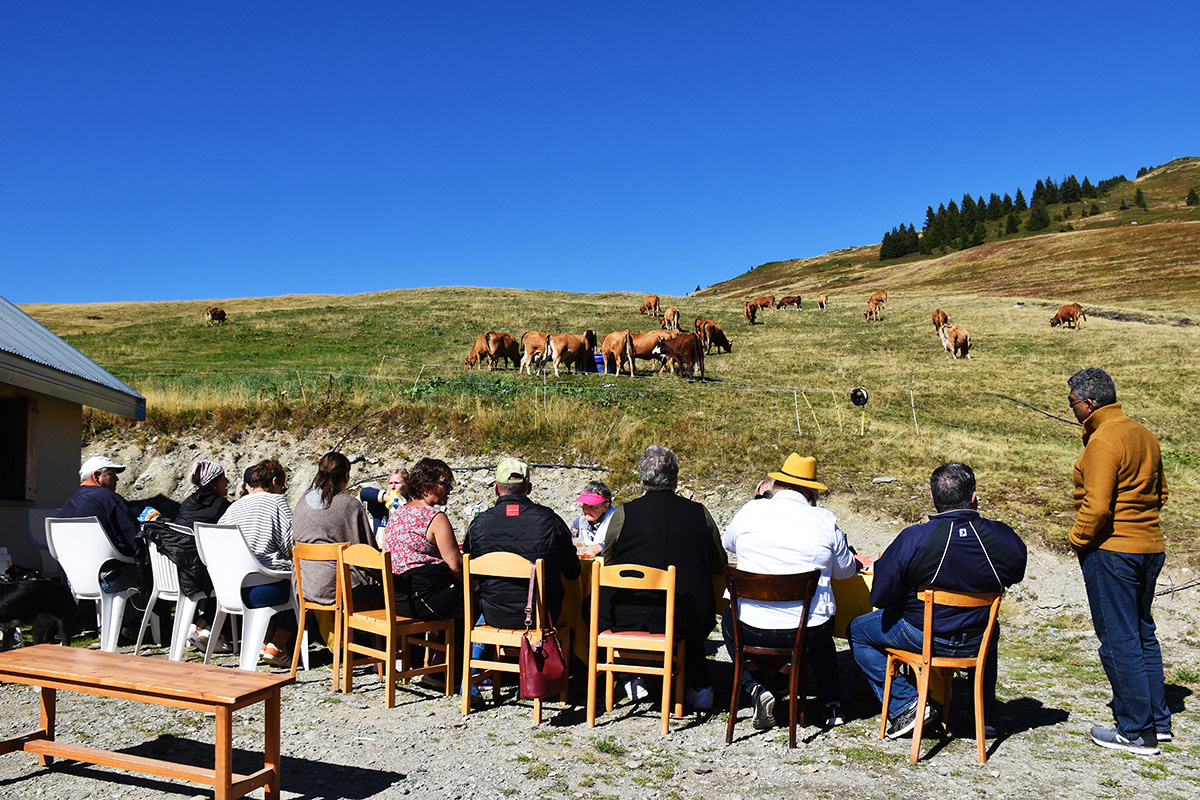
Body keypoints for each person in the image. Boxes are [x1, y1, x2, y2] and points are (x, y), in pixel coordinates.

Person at [848, 463, 1026, 740]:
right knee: (992, 630)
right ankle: (984, 715)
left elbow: (881, 595)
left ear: (932, 498)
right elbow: (1016, 573)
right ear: (975, 497)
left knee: (858, 630)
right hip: (978, 637)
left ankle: (907, 704)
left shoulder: (914, 538)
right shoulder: (1004, 538)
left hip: (924, 635)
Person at [1068, 367, 1171, 755]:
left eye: (1073, 403)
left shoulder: (1103, 442)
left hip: (1112, 550)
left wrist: (1078, 541)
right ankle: (1159, 723)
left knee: (1117, 639)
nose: (1073, 409)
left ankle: (1134, 730)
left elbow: (1096, 508)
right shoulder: (1144, 434)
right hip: (1150, 545)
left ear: (1089, 403)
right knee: (1143, 633)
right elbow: (1160, 494)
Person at [721, 454, 859, 730]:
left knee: (728, 620)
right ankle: (831, 703)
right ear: (811, 490)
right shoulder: (824, 520)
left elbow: (730, 544)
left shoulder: (750, 510)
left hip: (750, 627)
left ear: (780, 483)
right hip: (803, 631)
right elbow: (845, 571)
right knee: (821, 630)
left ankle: (755, 687)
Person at [598, 445, 728, 711]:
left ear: (642, 480)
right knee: (686, 613)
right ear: (677, 480)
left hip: (632, 613)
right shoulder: (700, 513)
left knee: (592, 605)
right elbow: (719, 564)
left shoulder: (623, 514)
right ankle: (699, 685)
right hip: (687, 616)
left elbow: (609, 564)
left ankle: (628, 673)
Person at [462, 457, 580, 629]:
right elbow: (573, 572)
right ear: (529, 488)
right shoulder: (550, 520)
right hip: (541, 616)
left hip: (494, 615)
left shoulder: (478, 524)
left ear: (496, 489)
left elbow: (470, 568)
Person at [219, 458, 296, 667]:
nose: (282, 491)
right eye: (282, 486)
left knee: (274, 576)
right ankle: (277, 646)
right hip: (262, 590)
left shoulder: (234, 508)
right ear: (273, 482)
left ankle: (264, 643)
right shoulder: (277, 502)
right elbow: (290, 545)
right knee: (301, 584)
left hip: (229, 590)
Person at [293, 452, 381, 635]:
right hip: (340, 590)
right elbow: (368, 555)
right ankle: (384, 653)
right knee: (389, 590)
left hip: (305, 587)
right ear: (347, 476)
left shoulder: (301, 503)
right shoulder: (349, 505)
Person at [383, 458, 462, 621]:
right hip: (424, 600)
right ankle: (463, 646)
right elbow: (456, 565)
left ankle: (439, 645)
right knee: (479, 599)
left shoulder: (396, 514)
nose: (450, 488)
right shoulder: (434, 517)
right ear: (425, 487)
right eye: (445, 483)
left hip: (397, 600)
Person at [168, 459, 232, 652]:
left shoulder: (188, 503)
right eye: (223, 478)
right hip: (199, 573)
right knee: (231, 577)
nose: (227, 482)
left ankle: (203, 627)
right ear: (213, 483)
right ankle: (205, 626)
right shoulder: (219, 505)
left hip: (180, 570)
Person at [60, 455, 139, 557]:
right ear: (97, 476)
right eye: (111, 474)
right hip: (113, 563)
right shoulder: (109, 498)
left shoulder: (69, 503)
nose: (117, 479)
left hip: (75, 565)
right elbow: (133, 538)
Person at [360, 468, 410, 542]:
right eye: (390, 483)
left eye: (397, 483)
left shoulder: (413, 506)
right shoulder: (381, 504)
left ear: (407, 485)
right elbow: (364, 493)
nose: (393, 487)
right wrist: (387, 497)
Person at [569, 480, 616, 557]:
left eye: (592, 506)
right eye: (584, 505)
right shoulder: (579, 523)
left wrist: (601, 547)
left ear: (606, 507)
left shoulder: (616, 521)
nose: (586, 509)